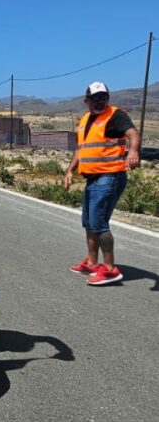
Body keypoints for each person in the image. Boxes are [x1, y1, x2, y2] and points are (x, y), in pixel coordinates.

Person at [64, 82, 140, 285]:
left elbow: (132, 133)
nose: (100, 102)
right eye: (95, 98)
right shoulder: (86, 120)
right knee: (88, 223)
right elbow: (81, 150)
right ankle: (91, 263)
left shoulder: (116, 115)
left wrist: (133, 152)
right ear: (86, 100)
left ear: (108, 98)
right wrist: (70, 171)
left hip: (110, 176)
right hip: (92, 178)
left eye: (103, 97)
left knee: (99, 223)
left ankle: (109, 270)